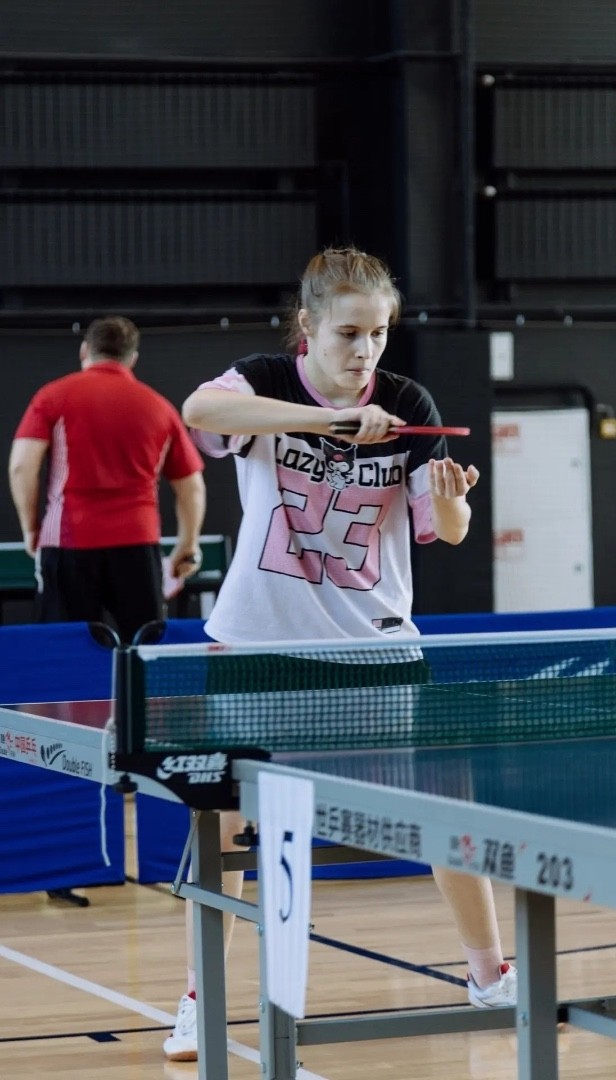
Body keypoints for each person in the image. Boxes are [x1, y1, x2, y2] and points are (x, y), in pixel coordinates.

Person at [162, 246, 516, 1062]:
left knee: (446, 813)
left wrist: (449, 501)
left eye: (378, 334)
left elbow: (444, 533)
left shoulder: (408, 403)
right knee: (225, 829)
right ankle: (198, 1000)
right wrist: (328, 423)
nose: (365, 352)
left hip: (374, 650)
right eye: (348, 334)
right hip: (257, 647)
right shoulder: (262, 382)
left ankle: (488, 976)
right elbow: (199, 410)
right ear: (308, 328)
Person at [8, 316, 207, 644]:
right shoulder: (159, 406)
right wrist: (188, 544)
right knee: (144, 650)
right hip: (138, 544)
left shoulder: (52, 396)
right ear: (132, 358)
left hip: (68, 541)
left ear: (84, 350)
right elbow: (191, 486)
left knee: (64, 650)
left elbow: (21, 467)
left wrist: (31, 529)